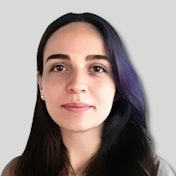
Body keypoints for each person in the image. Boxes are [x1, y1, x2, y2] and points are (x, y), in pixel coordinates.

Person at [1, 12, 175, 176]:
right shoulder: (16, 171)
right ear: (40, 85)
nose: (77, 85)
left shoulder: (153, 172)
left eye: (97, 68)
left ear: (118, 84)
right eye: (59, 67)